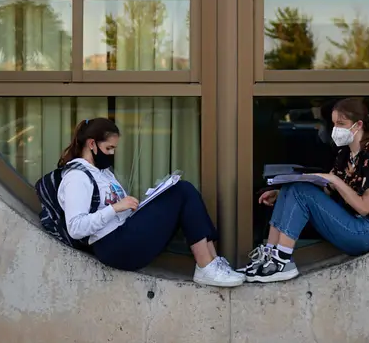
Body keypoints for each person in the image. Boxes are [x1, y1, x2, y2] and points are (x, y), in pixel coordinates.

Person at [56, 117, 245, 287]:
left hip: (124, 234)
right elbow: (76, 227)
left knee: (180, 190)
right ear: (91, 144)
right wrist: (115, 208)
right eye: (109, 148)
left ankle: (212, 262)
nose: (112, 154)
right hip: (113, 246)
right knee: (183, 191)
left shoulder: (103, 172)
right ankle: (206, 266)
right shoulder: (77, 178)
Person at [240, 98, 369, 283]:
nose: (336, 129)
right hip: (348, 222)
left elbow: (364, 208)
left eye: (341, 124)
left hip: (367, 231)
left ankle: (282, 261)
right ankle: (270, 256)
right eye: (334, 124)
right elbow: (328, 190)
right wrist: (282, 195)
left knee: (301, 191)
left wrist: (335, 180)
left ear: (358, 124)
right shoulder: (345, 153)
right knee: (292, 187)